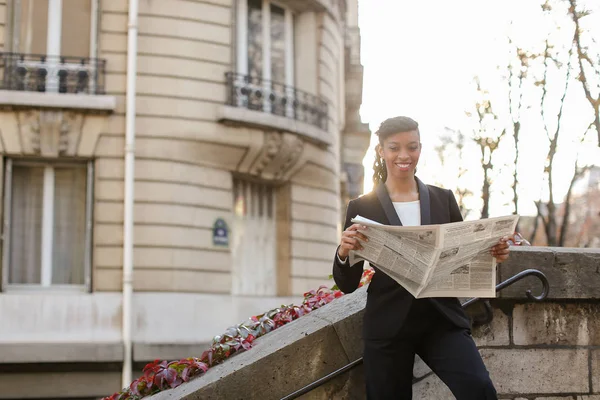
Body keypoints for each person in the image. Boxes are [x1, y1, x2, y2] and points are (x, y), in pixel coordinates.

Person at [332, 116, 510, 400]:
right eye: (394, 148)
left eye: (412, 147)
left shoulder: (443, 199)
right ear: (380, 151)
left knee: (479, 389)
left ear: (420, 148)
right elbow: (348, 283)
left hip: (441, 320)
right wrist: (343, 252)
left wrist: (492, 253)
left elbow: (462, 255)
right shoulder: (361, 206)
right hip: (388, 326)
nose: (404, 155)